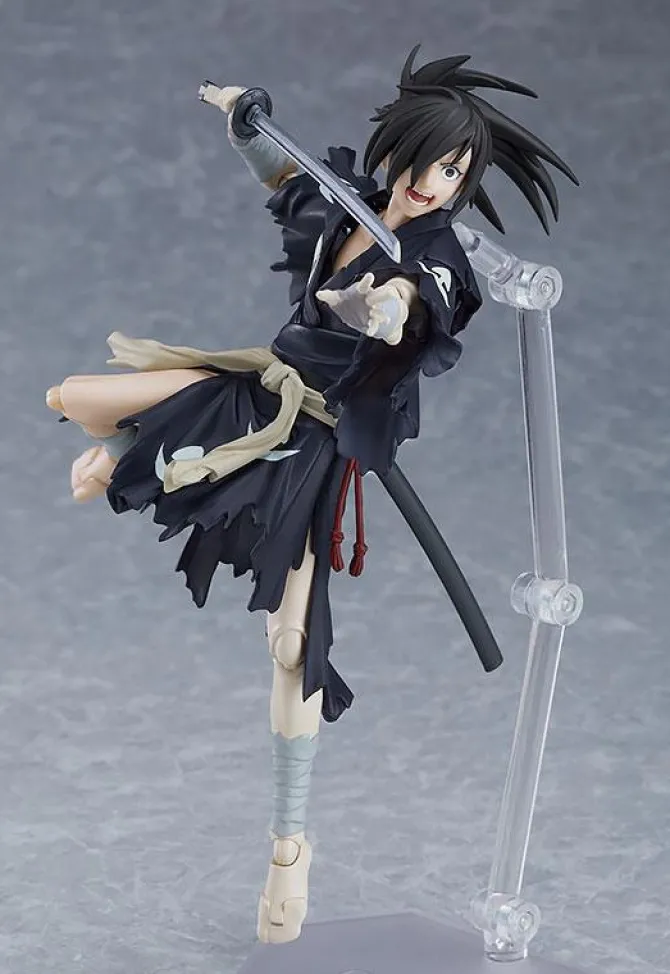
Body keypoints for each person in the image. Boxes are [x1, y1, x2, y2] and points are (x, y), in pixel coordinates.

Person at [45, 46, 577, 944]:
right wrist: (245, 124)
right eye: (424, 160)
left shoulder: (436, 256)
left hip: (317, 442)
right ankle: (139, 452)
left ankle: (289, 850)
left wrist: (390, 312)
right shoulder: (351, 207)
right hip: (260, 386)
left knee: (294, 644)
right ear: (394, 148)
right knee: (75, 397)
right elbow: (289, 180)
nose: (432, 183)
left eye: (454, 172)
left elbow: (425, 301)